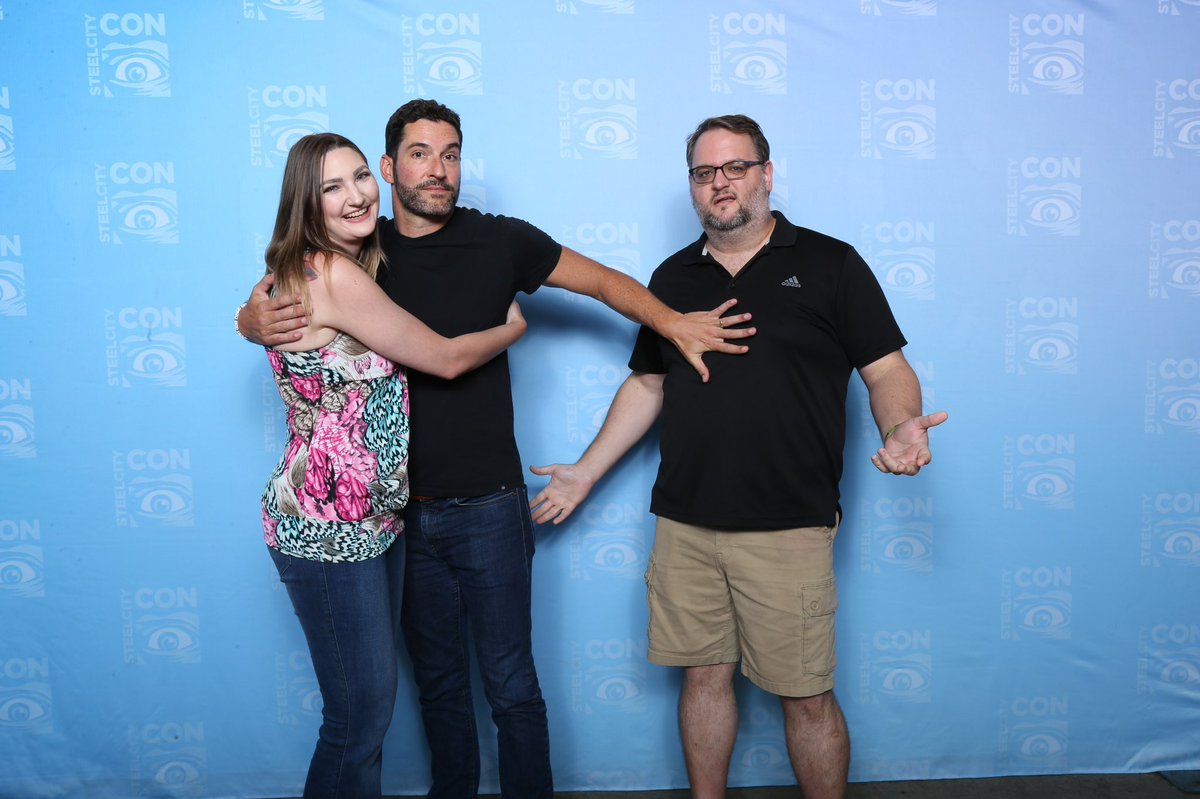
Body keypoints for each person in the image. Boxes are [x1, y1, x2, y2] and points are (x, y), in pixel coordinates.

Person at [236, 100, 754, 799]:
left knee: (513, 688)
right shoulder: (362, 249)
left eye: (450, 153)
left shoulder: (500, 241)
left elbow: (602, 281)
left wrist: (672, 321)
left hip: (490, 506)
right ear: (390, 168)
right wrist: (250, 318)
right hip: (398, 521)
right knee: (437, 690)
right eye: (419, 153)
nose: (437, 168)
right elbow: (289, 291)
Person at [529, 114, 949, 799]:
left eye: (735, 167)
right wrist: (584, 469)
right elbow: (648, 382)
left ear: (766, 174)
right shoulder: (671, 276)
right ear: (691, 187)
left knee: (806, 695)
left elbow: (885, 369)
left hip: (788, 523)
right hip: (685, 522)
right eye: (704, 172)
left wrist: (902, 425)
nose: (719, 183)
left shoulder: (829, 263)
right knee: (702, 676)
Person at [257, 132, 526, 799]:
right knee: (358, 717)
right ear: (306, 202)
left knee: (364, 713)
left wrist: (244, 318)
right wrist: (513, 328)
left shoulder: (325, 265)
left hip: (375, 523)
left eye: (358, 178)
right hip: (326, 529)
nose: (355, 196)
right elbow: (446, 358)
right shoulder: (334, 274)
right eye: (331, 187)